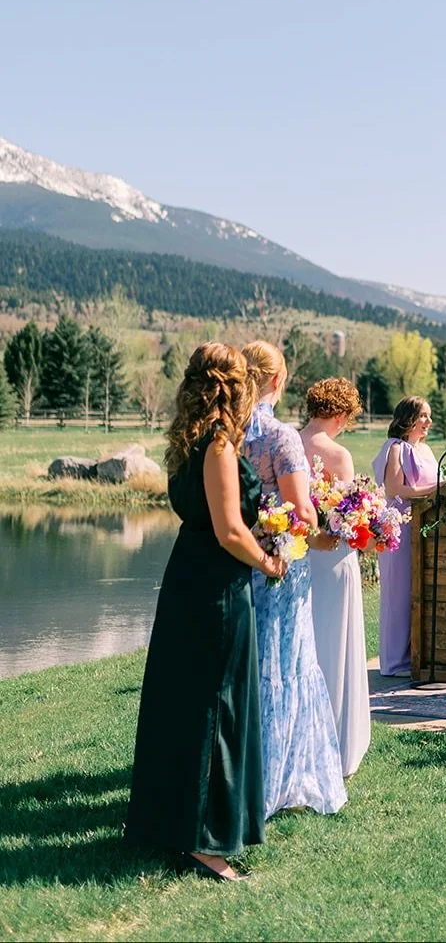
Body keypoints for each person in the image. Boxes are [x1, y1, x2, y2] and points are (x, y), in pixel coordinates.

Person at [126, 343, 284, 882]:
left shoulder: (186, 443)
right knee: (217, 706)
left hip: (185, 579)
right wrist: (268, 560)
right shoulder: (218, 446)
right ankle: (205, 841)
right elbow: (229, 530)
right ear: (235, 389)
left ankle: (168, 824)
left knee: (184, 701)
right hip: (215, 589)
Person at [241, 342, 346, 817]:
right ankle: (279, 779)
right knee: (285, 664)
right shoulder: (279, 436)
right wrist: (325, 536)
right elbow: (301, 511)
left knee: (248, 667)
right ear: (278, 382)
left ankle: (237, 773)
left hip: (237, 563)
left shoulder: (228, 430)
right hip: (281, 567)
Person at [301, 377, 371, 776]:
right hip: (333, 557)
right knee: (337, 644)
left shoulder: (290, 442)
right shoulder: (338, 454)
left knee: (306, 641)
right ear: (341, 415)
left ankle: (303, 737)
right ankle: (338, 742)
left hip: (299, 557)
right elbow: (348, 517)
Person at [371, 396, 439, 677]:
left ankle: (416, 656)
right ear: (407, 418)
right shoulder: (395, 448)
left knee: (418, 593)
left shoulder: (426, 450)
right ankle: (393, 662)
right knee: (398, 593)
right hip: (398, 528)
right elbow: (394, 489)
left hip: (424, 528)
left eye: (429, 416)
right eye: (422, 415)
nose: (428, 421)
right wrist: (434, 490)